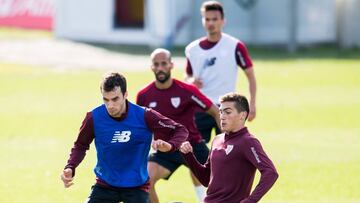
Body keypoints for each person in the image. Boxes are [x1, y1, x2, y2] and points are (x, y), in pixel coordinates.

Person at [60, 72, 188, 203]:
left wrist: (170, 145)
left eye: (115, 99)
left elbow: (180, 130)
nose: (110, 105)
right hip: (105, 185)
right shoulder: (94, 117)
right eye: (106, 99)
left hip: (137, 186)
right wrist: (70, 167)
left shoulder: (144, 116)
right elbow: (81, 145)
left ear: (125, 94)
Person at [136, 48, 220, 203]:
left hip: (192, 145)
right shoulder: (144, 95)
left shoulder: (187, 90)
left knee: (219, 183)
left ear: (171, 65)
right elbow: (140, 126)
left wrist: (224, 139)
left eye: (164, 63)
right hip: (164, 150)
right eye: (156, 64)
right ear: (151, 67)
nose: (160, 68)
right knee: (145, 181)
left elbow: (216, 111)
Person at [180, 93, 278, 203]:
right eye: (221, 112)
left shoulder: (248, 142)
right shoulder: (217, 140)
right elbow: (206, 179)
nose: (222, 116)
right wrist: (188, 155)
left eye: (228, 112)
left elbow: (271, 173)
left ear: (242, 115)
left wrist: (250, 200)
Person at [185, 0, 257, 143]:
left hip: (227, 108)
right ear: (203, 21)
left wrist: (252, 104)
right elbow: (187, 75)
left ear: (223, 21)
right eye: (207, 19)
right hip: (200, 108)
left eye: (215, 19)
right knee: (196, 155)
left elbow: (250, 76)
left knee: (228, 153)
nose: (211, 23)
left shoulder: (235, 46)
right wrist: (190, 81)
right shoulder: (192, 49)